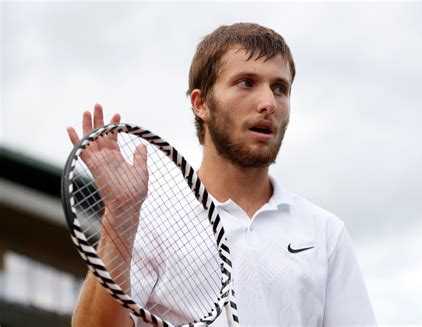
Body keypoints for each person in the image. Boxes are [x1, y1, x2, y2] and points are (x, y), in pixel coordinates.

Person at [68, 23, 376, 326]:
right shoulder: (148, 221)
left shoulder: (325, 233)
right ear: (201, 103)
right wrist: (120, 214)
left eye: (280, 88)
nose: (268, 103)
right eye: (246, 82)